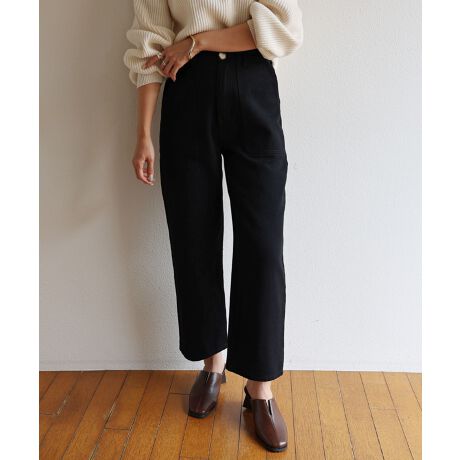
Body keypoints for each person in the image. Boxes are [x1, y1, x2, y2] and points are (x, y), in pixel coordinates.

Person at [124, 0, 303, 452]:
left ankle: (260, 388)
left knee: (263, 245)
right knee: (193, 236)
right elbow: (150, 43)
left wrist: (197, 41)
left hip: (253, 85)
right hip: (187, 93)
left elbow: (283, 27)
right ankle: (212, 363)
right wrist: (143, 133)